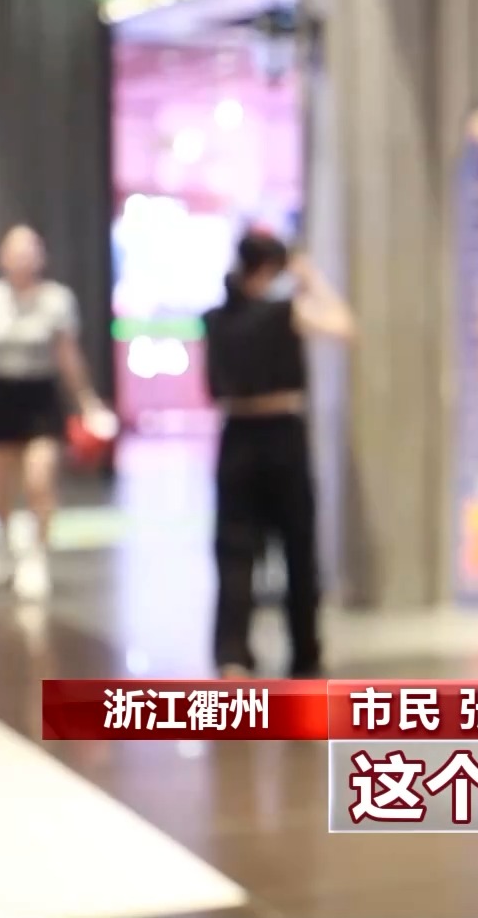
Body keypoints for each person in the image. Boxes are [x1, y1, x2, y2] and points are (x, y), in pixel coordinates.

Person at [202, 231, 355, 679]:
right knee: (298, 548)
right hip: (282, 435)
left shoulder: (216, 318)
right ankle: (304, 651)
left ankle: (232, 654)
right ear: (272, 268)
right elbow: (345, 326)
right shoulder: (286, 312)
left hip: (235, 437)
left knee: (234, 549)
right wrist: (312, 279)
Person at [0, 226, 108, 598]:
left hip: (41, 395)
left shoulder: (57, 299)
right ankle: (4, 542)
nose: (23, 259)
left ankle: (37, 557)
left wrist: (87, 400)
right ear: (2, 256)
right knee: (0, 486)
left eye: (30, 250)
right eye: (15, 251)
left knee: (39, 479)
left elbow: (67, 354)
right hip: (2, 394)